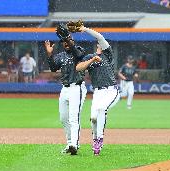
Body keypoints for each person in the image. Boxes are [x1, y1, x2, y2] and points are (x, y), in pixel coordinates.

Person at [74, 25, 120, 156]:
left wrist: (85, 29)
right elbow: (78, 68)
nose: (102, 43)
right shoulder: (90, 57)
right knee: (93, 118)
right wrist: (92, 60)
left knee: (101, 110)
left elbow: (100, 36)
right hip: (98, 92)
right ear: (97, 46)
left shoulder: (108, 55)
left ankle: (100, 139)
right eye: (100, 43)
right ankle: (95, 139)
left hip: (111, 90)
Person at [44, 24, 87, 155]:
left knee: (74, 117)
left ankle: (75, 144)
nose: (66, 43)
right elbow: (53, 68)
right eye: (63, 42)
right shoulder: (61, 55)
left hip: (77, 87)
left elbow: (78, 55)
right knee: (63, 118)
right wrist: (50, 54)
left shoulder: (78, 50)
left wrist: (67, 37)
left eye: (68, 41)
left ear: (72, 41)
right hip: (65, 89)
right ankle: (69, 144)